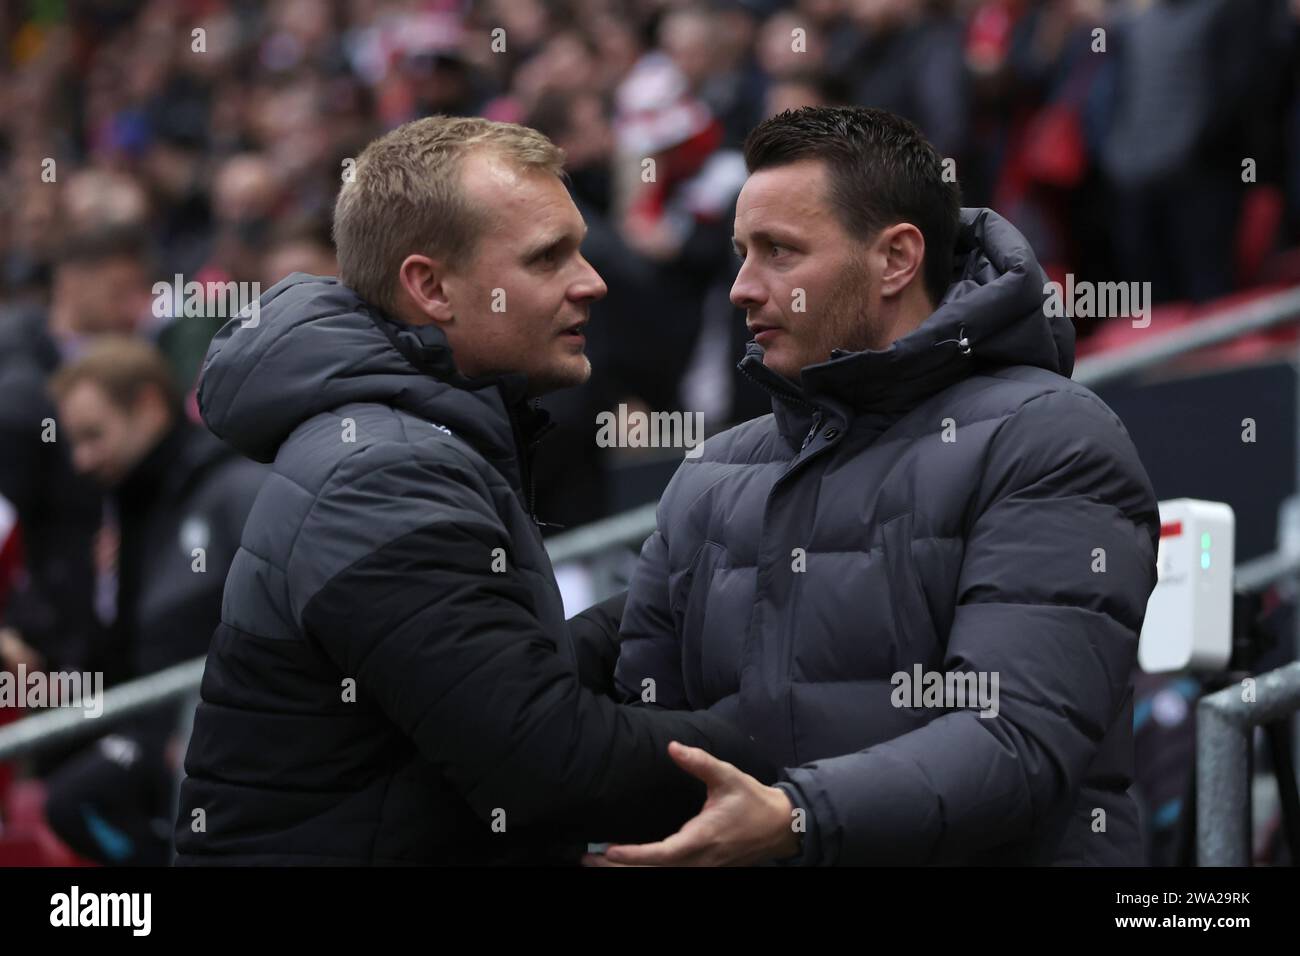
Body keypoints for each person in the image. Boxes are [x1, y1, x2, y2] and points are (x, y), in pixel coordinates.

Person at [174, 115, 773, 865]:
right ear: (430, 287)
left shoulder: (405, 438)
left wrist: (702, 587)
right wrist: (800, 728)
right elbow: (548, 762)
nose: (592, 281)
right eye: (548, 257)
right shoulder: (380, 473)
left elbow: (507, 676)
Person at [605, 106, 1160, 866]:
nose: (740, 287)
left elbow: (1015, 736)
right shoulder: (708, 473)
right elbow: (646, 738)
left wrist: (799, 819)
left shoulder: (1051, 436)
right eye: (740, 253)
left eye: (779, 252)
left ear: (896, 258)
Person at [42, 337, 264, 865]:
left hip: (218, 735)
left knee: (78, 798)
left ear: (147, 405)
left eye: (94, 436)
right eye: (74, 442)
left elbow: (274, 611)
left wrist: (203, 726)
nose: (82, 459)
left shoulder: (231, 486)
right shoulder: (123, 504)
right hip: (155, 725)